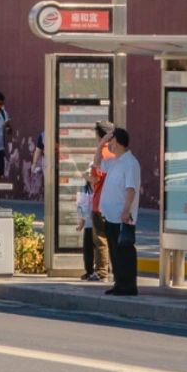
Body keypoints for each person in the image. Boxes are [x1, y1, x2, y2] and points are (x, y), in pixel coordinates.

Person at [98, 126, 141, 295]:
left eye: (112, 141)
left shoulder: (130, 163)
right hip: (110, 216)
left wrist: (126, 210)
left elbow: (131, 189)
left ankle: (128, 286)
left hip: (122, 216)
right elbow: (97, 163)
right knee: (114, 252)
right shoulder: (115, 161)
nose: (110, 144)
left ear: (119, 143)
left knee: (124, 251)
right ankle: (119, 283)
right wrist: (101, 143)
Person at [88, 119, 115, 280]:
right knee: (112, 239)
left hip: (100, 202)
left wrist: (87, 177)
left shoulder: (102, 152)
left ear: (100, 135)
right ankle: (113, 270)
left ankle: (101, 272)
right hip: (114, 203)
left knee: (100, 239)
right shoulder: (116, 152)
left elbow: (96, 177)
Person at [76, 176, 99, 281]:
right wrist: (81, 223)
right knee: (88, 249)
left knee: (100, 248)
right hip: (89, 224)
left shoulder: (101, 188)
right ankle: (89, 271)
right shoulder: (85, 190)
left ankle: (101, 270)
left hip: (99, 223)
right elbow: (82, 207)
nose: (91, 176)